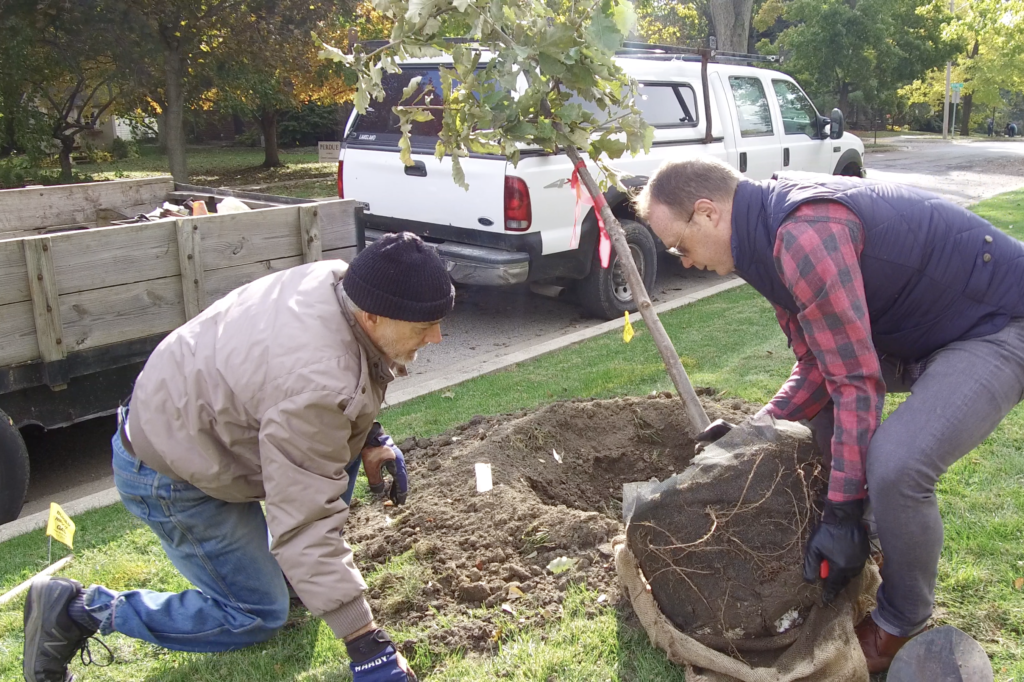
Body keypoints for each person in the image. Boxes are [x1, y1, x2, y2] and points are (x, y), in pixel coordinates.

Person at [635, 157, 1024, 673]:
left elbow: (856, 383)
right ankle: (873, 539)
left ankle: (900, 622)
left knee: (898, 465)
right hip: (920, 330)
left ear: (707, 213)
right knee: (819, 419)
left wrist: (841, 514)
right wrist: (754, 433)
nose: (682, 262)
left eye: (679, 246)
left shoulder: (802, 235)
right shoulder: (762, 240)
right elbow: (817, 365)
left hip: (996, 322)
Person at [22, 232, 454, 682]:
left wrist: (371, 437)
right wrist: (367, 646)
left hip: (202, 430)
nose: (437, 337)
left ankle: (299, 580)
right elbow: (304, 519)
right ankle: (77, 609)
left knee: (329, 460)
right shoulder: (319, 381)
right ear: (373, 314)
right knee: (257, 613)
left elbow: (342, 383)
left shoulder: (339, 281)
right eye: (423, 326)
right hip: (170, 473)